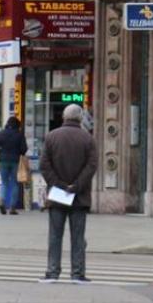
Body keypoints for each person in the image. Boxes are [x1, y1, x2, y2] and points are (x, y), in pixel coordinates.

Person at [39, 103, 98, 283]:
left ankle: (52, 272)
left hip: (57, 196)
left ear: (64, 117)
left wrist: (59, 185)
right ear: (80, 118)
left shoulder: (51, 137)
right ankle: (77, 273)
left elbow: (44, 165)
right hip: (79, 196)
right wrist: (76, 186)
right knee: (78, 237)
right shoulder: (88, 139)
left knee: (55, 235)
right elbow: (92, 165)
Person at [0, 116, 28, 215]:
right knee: (14, 183)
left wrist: (1, 153)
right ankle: (12, 208)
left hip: (3, 160)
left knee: (4, 183)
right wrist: (17, 152)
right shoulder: (19, 135)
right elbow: (24, 149)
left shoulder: (1, 133)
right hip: (15, 161)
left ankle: (2, 202)